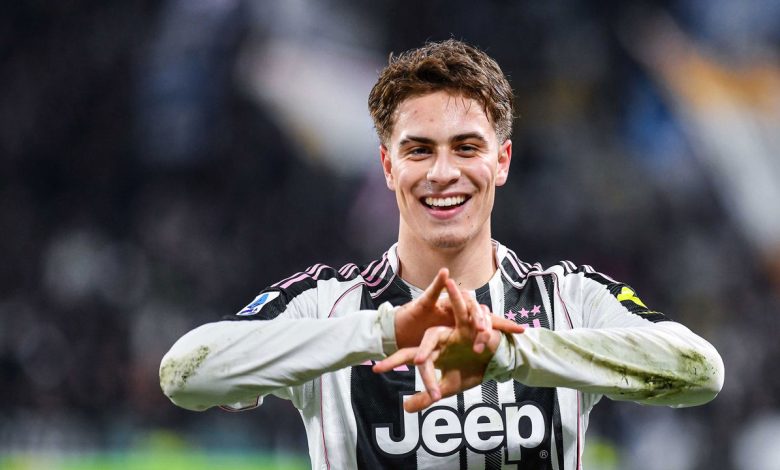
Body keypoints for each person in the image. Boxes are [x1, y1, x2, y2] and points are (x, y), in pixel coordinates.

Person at [160, 39, 724, 469]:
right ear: (388, 167)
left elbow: (701, 371)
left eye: (466, 147)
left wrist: (511, 353)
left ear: (501, 161)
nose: (443, 172)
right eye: (419, 151)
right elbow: (185, 373)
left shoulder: (566, 297)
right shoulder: (330, 302)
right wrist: (384, 332)